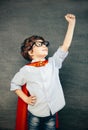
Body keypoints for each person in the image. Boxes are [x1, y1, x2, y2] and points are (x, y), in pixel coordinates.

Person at [10, 13, 76, 130]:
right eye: (39, 44)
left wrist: (71, 24)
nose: (44, 45)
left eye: (44, 43)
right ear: (31, 52)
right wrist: (25, 98)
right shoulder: (26, 70)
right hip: (34, 115)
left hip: (51, 114)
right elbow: (14, 84)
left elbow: (65, 46)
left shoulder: (53, 63)